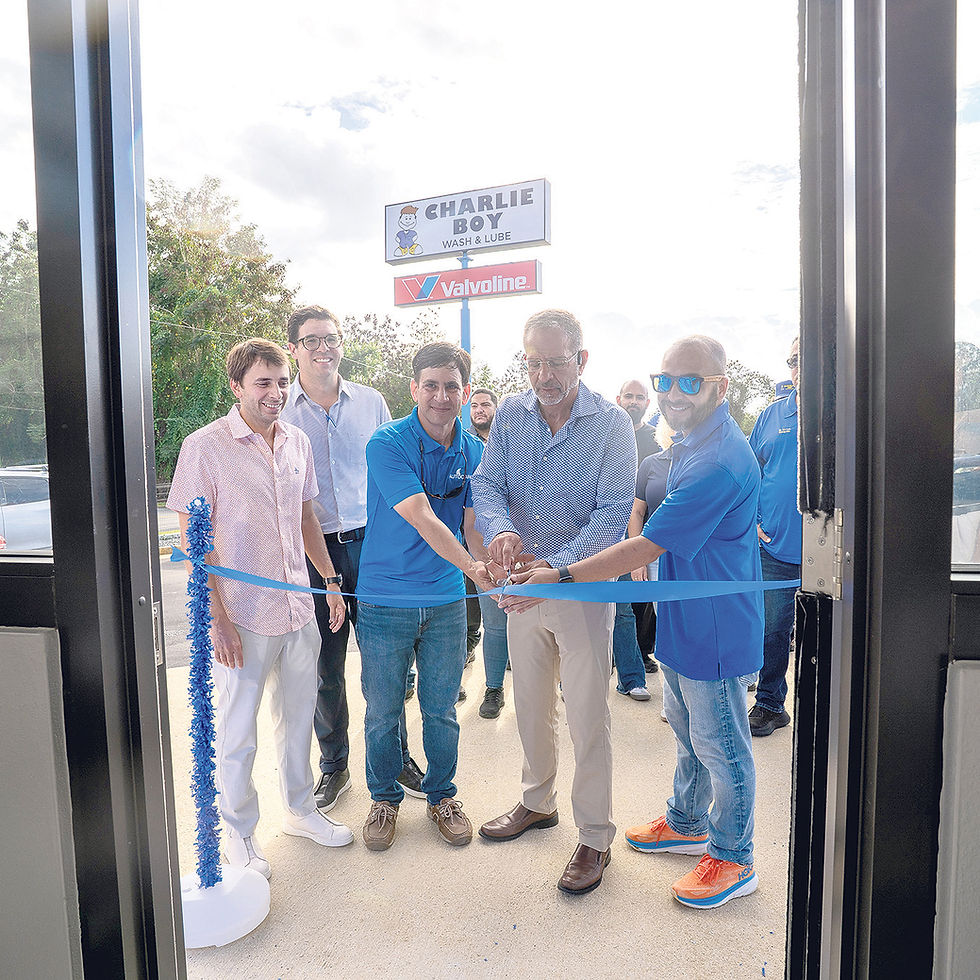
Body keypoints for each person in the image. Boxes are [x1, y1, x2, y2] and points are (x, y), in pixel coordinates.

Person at [515, 335, 763, 909]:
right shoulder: (690, 442)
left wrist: (560, 574)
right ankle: (686, 821)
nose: (673, 393)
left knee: (722, 744)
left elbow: (646, 545)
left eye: (689, 382)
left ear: (720, 386)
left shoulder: (720, 461)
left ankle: (734, 856)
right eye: (665, 381)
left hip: (716, 627)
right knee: (686, 728)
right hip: (681, 617)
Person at [167, 338, 355, 881]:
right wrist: (218, 619)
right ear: (237, 386)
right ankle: (239, 833)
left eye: (281, 382)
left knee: (298, 720)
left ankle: (300, 810)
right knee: (238, 731)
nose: (275, 393)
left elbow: (306, 517)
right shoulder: (205, 447)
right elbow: (193, 541)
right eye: (263, 383)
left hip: (298, 607)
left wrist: (330, 582)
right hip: (242, 617)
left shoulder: (297, 440)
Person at [472, 309, 636, 896]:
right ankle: (537, 802)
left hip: (580, 591)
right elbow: (487, 484)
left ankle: (594, 836)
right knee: (530, 705)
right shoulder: (510, 414)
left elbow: (612, 515)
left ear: (582, 360)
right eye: (533, 363)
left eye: (556, 362)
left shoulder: (613, 424)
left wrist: (553, 572)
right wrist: (499, 530)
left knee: (589, 716)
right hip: (521, 590)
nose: (544, 375)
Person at [280, 305, 425, 811]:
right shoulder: (281, 409)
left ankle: (396, 757)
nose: (323, 348)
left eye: (331, 338)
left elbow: (395, 469)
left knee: (387, 664)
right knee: (326, 669)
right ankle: (335, 766)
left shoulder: (371, 402)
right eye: (311, 340)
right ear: (294, 348)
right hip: (314, 553)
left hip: (375, 548)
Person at [355, 342, 494, 851]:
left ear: (466, 392)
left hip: (445, 602)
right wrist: (475, 570)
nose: (441, 396)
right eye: (430, 385)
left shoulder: (476, 451)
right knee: (382, 711)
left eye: (451, 386)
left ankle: (442, 796)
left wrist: (491, 568)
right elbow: (421, 515)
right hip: (384, 601)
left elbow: (473, 526)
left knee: (441, 710)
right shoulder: (387, 442)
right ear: (413, 389)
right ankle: (384, 799)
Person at [747, 337, 802, 737]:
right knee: (772, 630)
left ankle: (828, 705)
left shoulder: (847, 411)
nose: (799, 366)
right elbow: (748, 473)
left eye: (808, 357)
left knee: (831, 633)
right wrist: (752, 520)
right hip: (774, 547)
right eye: (794, 359)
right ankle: (769, 704)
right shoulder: (772, 415)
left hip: (835, 551)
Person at [467, 387, 511, 719]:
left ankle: (555, 684)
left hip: (533, 556)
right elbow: (471, 521)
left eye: (486, 404)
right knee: (494, 626)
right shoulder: (470, 452)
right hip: (488, 557)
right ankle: (494, 688)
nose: (480, 410)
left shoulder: (522, 452)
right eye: (475, 405)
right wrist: (484, 563)